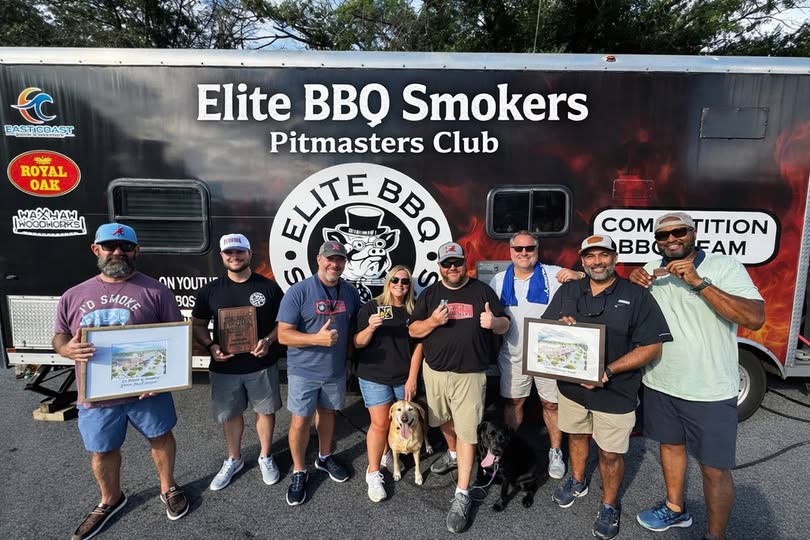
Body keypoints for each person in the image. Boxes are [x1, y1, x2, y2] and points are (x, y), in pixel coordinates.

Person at [630, 212, 765, 540]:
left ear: (694, 233)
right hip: (660, 382)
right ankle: (675, 509)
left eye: (679, 232)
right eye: (663, 235)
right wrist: (635, 285)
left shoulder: (724, 266)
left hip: (710, 389)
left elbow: (755, 318)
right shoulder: (651, 269)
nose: (671, 239)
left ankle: (715, 536)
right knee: (670, 447)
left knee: (715, 469)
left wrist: (699, 282)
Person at [52, 223, 189, 540]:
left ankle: (168, 486)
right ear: (95, 249)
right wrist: (66, 349)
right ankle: (110, 499)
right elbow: (59, 336)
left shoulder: (156, 292)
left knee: (161, 437)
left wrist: (165, 377)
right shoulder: (73, 296)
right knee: (102, 451)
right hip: (97, 395)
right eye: (110, 246)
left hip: (147, 391)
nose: (117, 252)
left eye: (125, 247)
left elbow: (176, 339)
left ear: (136, 251)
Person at [544, 234, 672, 540]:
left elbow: (652, 347)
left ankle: (609, 504)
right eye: (590, 256)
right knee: (576, 436)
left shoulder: (636, 295)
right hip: (572, 390)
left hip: (616, 392)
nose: (597, 262)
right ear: (582, 260)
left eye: (603, 255)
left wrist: (608, 371)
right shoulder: (569, 290)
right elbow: (546, 329)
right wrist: (559, 327)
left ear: (615, 258)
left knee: (610, 454)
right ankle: (577, 480)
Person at [409, 241, 510, 533]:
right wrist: (432, 321)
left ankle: (462, 494)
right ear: (440, 267)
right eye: (447, 263)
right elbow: (414, 330)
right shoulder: (429, 294)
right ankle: (452, 454)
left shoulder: (482, 291)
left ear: (465, 263)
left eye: (457, 262)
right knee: (442, 420)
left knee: (467, 431)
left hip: (470, 375)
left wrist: (494, 322)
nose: (453, 268)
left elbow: (505, 325)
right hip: (435, 373)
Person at [488, 230, 585, 480]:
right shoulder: (498, 280)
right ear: (510, 251)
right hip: (513, 353)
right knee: (514, 403)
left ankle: (555, 451)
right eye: (518, 248)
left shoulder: (553, 274)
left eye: (529, 248)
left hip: (548, 353)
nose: (524, 253)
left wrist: (579, 275)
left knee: (550, 404)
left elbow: (588, 282)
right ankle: (507, 449)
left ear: (537, 250)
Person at [192, 233, 285, 491]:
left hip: (261, 364)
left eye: (240, 252)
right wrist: (211, 346)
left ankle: (265, 455)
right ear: (222, 256)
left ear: (249, 254)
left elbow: (283, 324)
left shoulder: (269, 288)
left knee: (265, 411)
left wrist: (268, 341)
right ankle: (234, 458)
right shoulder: (210, 291)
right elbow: (198, 324)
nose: (235, 257)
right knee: (231, 415)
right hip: (225, 366)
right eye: (229, 253)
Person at [276, 240, 361, 506]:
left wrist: (349, 359)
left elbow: (351, 330)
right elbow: (283, 335)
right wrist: (316, 339)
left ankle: (324, 457)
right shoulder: (299, 291)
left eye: (340, 259)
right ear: (319, 260)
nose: (334, 264)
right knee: (300, 421)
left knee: (327, 414)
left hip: (335, 370)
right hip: (304, 371)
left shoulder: (350, 293)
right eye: (330, 259)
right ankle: (299, 470)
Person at [353, 265, 423, 502]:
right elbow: (357, 342)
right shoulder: (372, 307)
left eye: (405, 281)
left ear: (409, 285)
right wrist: (371, 327)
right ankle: (373, 473)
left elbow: (419, 346)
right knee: (380, 423)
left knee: (401, 421)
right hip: (374, 375)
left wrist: (412, 377)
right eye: (395, 280)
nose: (400, 285)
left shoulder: (415, 310)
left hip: (403, 377)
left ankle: (386, 453)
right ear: (388, 282)